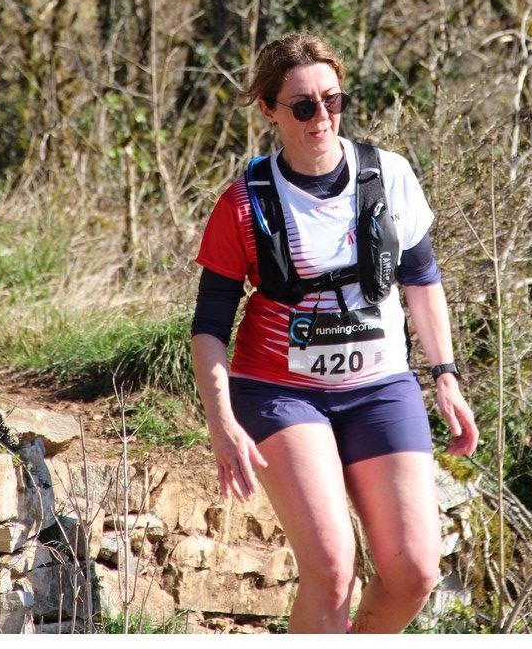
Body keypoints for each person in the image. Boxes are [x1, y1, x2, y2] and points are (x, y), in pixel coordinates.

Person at [191, 31, 478, 634]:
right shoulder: (244, 202)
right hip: (280, 392)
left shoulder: (389, 176)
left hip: (381, 388)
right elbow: (210, 325)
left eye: (332, 100)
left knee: (414, 571)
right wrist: (222, 423)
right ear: (269, 110)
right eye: (302, 105)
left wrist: (445, 376)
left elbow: (422, 280)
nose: (321, 116)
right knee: (330, 567)